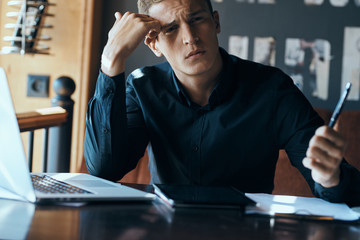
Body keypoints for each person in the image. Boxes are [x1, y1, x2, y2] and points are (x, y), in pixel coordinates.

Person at [85, 0, 360, 205]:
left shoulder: (272, 89)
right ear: (153, 43)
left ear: (216, 22)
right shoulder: (142, 87)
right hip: (166, 230)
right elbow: (104, 169)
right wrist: (111, 60)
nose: (190, 37)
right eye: (170, 28)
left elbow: (343, 189)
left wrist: (329, 177)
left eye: (196, 20)